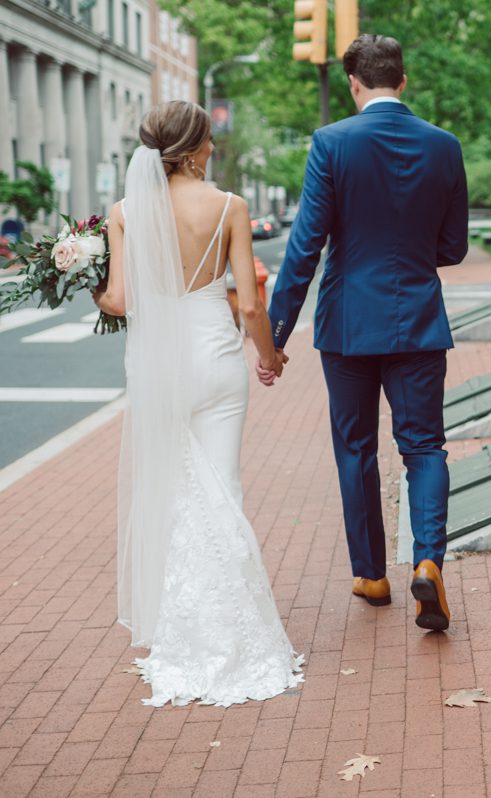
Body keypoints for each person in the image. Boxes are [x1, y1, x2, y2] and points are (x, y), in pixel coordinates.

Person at [93, 101, 303, 707]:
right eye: (208, 141)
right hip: (216, 364)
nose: (214, 148)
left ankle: (185, 630)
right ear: (190, 150)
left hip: (161, 372)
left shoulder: (127, 212)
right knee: (224, 490)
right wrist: (271, 356)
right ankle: (234, 628)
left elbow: (121, 301)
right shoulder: (230, 207)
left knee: (173, 491)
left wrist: (87, 278)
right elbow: (249, 306)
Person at [265, 33, 468, 631]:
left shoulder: (332, 143)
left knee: (356, 449)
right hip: (420, 322)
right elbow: (453, 247)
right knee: (424, 446)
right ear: (402, 81)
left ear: (354, 84)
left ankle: (373, 575)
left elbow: (304, 247)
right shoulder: (444, 146)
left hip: (348, 325)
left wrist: (276, 334)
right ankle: (428, 562)